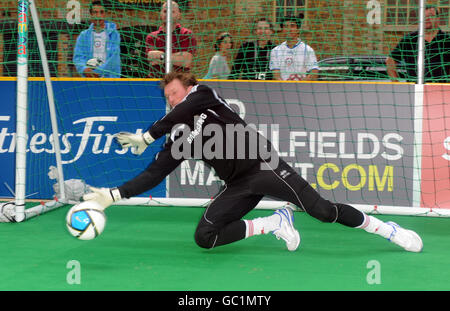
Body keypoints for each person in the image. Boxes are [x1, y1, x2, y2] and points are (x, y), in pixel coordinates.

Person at [83, 71, 423, 253]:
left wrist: (148, 134)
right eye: (167, 97)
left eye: (175, 92)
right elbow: (153, 173)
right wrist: (113, 196)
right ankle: (274, 223)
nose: (172, 100)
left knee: (322, 212)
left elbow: (186, 108)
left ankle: (389, 231)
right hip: (238, 186)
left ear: (189, 86)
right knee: (206, 237)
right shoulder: (177, 137)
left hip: (266, 167)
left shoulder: (205, 97)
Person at [386, 5, 450, 82]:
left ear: (438, 18)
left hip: (442, 90)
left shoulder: (447, 40)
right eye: (424, 16)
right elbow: (390, 60)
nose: (427, 19)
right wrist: (396, 83)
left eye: (431, 16)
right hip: (414, 90)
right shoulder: (409, 39)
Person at [146, 1, 197, 78]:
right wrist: (177, 58)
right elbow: (152, 59)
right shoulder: (152, 36)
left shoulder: (187, 34)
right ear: (160, 14)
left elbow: (186, 61)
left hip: (180, 82)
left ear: (179, 15)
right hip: (156, 81)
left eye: (172, 12)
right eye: (165, 11)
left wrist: (161, 56)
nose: (168, 14)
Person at [73, 0, 121, 78]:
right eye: (95, 12)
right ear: (91, 14)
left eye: (101, 12)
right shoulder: (83, 35)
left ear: (105, 14)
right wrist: (84, 69)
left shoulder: (114, 34)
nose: (98, 15)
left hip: (110, 79)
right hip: (90, 79)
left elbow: (114, 58)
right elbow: (78, 57)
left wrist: (97, 72)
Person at [269, 14, 319, 81]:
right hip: (282, 89)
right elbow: (276, 75)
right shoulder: (275, 51)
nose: (289, 29)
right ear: (282, 30)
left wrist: (300, 85)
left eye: (292, 26)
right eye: (285, 26)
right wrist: (286, 86)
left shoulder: (308, 50)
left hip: (302, 89)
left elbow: (314, 73)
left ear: (298, 29)